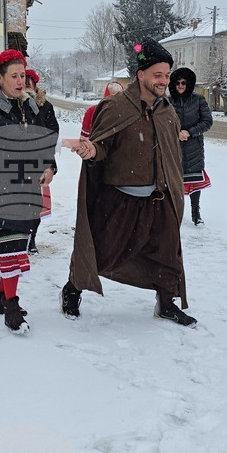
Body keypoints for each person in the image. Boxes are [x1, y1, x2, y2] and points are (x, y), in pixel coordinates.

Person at [61, 38, 194, 327]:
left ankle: (166, 303)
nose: (163, 81)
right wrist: (92, 150)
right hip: (121, 200)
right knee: (102, 252)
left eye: (167, 75)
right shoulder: (115, 106)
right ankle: (73, 288)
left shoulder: (167, 111)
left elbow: (171, 156)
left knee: (167, 255)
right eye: (157, 75)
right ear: (141, 74)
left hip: (158, 199)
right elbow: (102, 146)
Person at [0, 49, 57, 333]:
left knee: (20, 244)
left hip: (26, 187)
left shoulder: (29, 106)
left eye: (23, 75)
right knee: (10, 247)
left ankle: (1, 294)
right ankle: (10, 305)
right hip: (1, 188)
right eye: (14, 76)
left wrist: (49, 165)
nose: (21, 81)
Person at [169, 67, 213, 225]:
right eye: (178, 83)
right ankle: (174, 213)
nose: (181, 86)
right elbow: (160, 123)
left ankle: (196, 212)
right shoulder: (167, 101)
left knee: (194, 180)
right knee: (173, 180)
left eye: (184, 83)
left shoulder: (198, 99)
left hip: (194, 146)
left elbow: (207, 122)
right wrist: (176, 133)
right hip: (173, 146)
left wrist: (190, 132)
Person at [24, 68, 58, 254]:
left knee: (34, 204)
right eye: (24, 80)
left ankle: (32, 238)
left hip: (38, 161)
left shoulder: (45, 106)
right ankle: (20, 238)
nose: (27, 83)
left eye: (30, 80)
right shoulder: (13, 104)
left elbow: (53, 132)